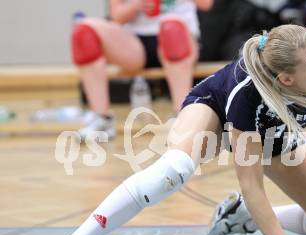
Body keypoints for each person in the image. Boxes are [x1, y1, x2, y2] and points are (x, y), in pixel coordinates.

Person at [29, 24, 306, 235]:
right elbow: (252, 182)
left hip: (274, 129)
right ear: (287, 79)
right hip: (214, 111)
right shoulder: (248, 96)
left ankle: (237, 216)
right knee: (172, 171)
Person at [73, 0, 213, 140]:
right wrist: (136, 4)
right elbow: (116, 16)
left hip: (180, 34)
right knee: (84, 33)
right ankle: (101, 120)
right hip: (135, 42)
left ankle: (182, 118)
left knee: (171, 30)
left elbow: (206, 3)